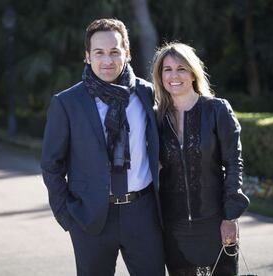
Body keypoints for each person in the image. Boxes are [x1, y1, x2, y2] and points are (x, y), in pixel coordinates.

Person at [41, 18, 165, 276]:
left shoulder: (147, 93)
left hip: (142, 213)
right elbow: (52, 164)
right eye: (99, 53)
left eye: (114, 52)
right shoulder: (67, 103)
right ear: (87, 56)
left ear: (127, 54)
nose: (107, 60)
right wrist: (68, 217)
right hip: (90, 217)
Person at [152, 42, 250, 276]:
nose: (174, 76)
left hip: (215, 222)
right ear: (160, 76)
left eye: (181, 69)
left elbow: (234, 164)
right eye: (167, 69)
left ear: (193, 73)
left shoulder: (217, 110)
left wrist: (230, 216)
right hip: (174, 227)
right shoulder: (156, 119)